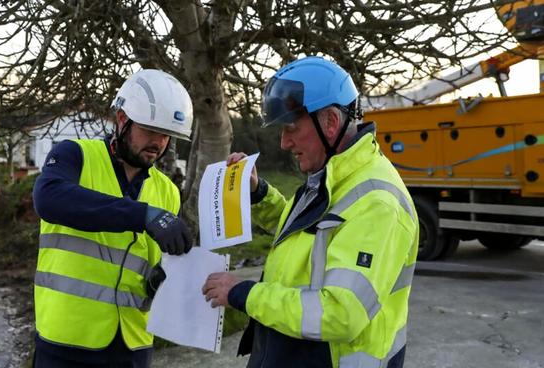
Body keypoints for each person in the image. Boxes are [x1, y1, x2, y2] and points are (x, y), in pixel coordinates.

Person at [202, 56, 419, 368]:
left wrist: (244, 293)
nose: (284, 142)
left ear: (330, 122)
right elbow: (303, 234)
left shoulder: (378, 204)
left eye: (291, 128)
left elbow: (341, 313)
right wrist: (257, 193)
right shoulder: (331, 177)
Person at [32, 69, 195, 367]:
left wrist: (165, 278)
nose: (158, 142)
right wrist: (142, 215)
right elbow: (49, 198)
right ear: (122, 119)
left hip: (133, 344)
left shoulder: (168, 191)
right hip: (68, 339)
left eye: (166, 135)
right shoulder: (74, 156)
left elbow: (152, 262)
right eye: (149, 130)